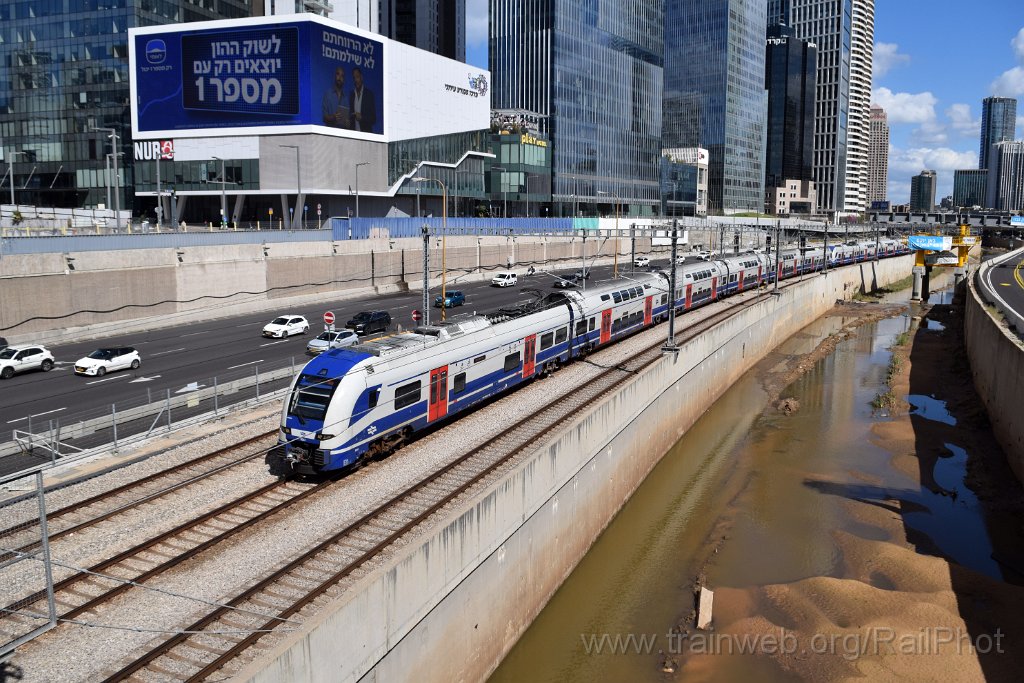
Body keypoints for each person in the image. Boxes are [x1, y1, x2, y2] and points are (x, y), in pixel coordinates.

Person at [349, 67, 377, 133]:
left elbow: (373, 119)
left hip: (366, 136)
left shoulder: (369, 94)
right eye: (354, 78)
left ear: (361, 77)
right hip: (354, 136)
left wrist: (362, 118)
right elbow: (351, 116)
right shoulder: (352, 95)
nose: (356, 80)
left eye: (357, 77)